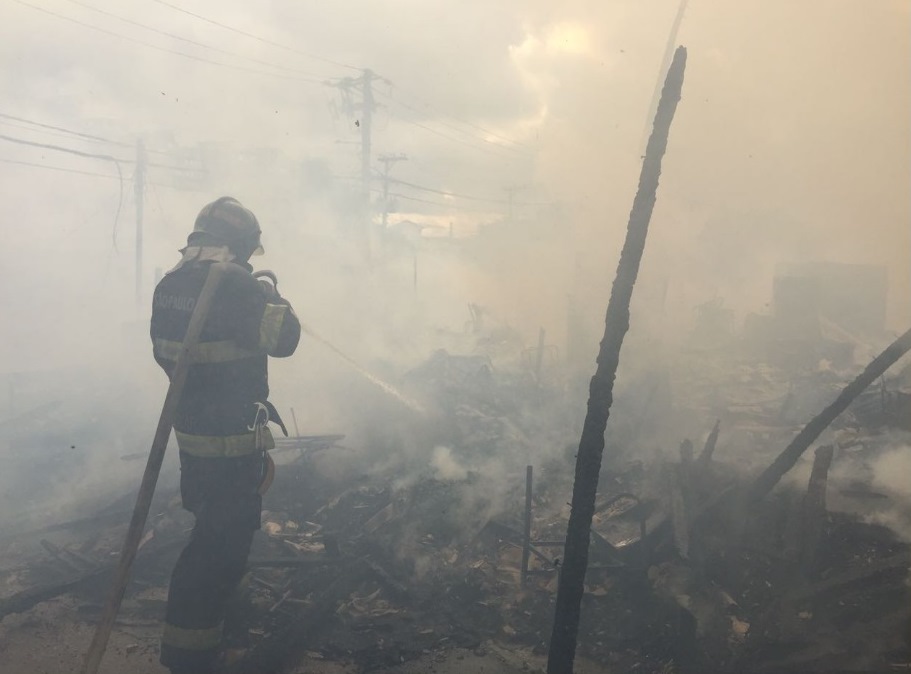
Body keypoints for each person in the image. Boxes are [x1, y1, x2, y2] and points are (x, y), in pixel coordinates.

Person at [150, 196, 301, 673]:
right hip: (233, 447)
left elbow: (165, 354)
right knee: (215, 554)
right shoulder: (235, 283)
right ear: (239, 243)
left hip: (193, 442)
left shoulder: (170, 284)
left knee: (218, 542)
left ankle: (226, 636)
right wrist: (271, 295)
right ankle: (189, 658)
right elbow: (286, 340)